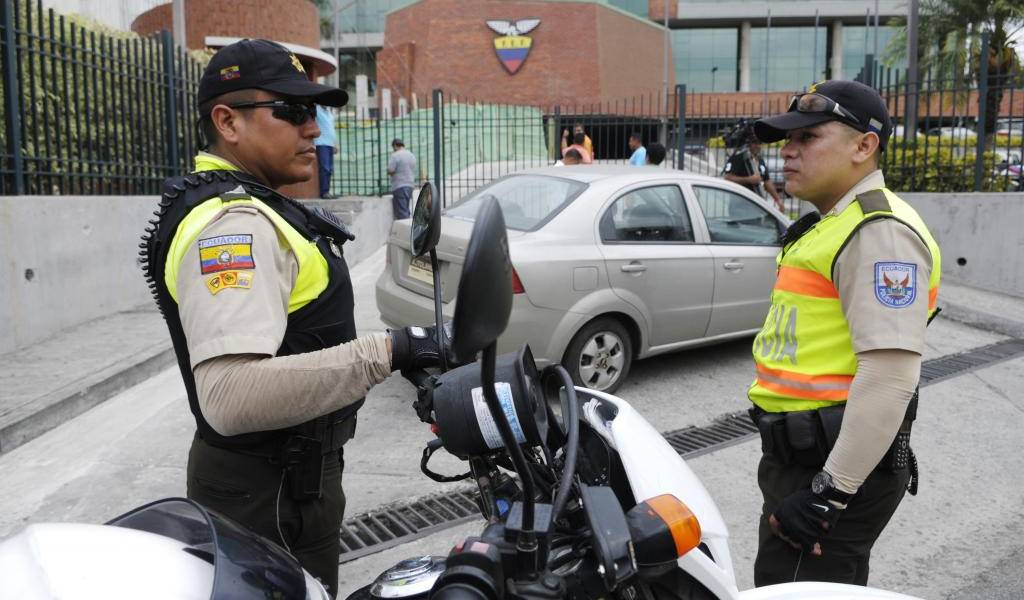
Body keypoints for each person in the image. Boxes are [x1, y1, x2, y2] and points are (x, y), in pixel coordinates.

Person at [139, 39, 447, 597]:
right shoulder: (233, 225)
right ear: (227, 122)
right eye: (293, 111)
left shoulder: (257, 207)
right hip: (269, 494)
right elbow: (229, 394)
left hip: (286, 482)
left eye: (317, 112)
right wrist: (392, 350)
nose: (314, 129)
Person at [746, 79, 941, 587]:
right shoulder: (832, 223)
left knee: (793, 591)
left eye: (807, 137)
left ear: (864, 145)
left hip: (832, 466)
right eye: (786, 139)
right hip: (807, 455)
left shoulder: (879, 232)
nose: (786, 151)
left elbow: (890, 377)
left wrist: (828, 493)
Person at [724, 132, 784, 211]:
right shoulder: (738, 157)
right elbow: (727, 178)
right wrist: (749, 179)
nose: (758, 146)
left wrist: (778, 200)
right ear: (748, 144)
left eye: (760, 143)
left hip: (757, 204)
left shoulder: (760, 159)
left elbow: (767, 181)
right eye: (754, 143)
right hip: (739, 205)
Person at [387, 138, 417, 219]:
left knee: (402, 211)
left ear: (395, 146)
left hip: (399, 185)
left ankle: (406, 229)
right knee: (406, 208)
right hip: (410, 185)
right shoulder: (411, 155)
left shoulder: (395, 155)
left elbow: (390, 170)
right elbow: (413, 167)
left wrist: (390, 172)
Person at [314, 105, 337, 198]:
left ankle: (327, 191)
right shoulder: (317, 110)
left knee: (330, 169)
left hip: (330, 143)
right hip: (321, 143)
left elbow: (331, 129)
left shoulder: (329, 111)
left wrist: (335, 144)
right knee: (325, 168)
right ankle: (324, 192)